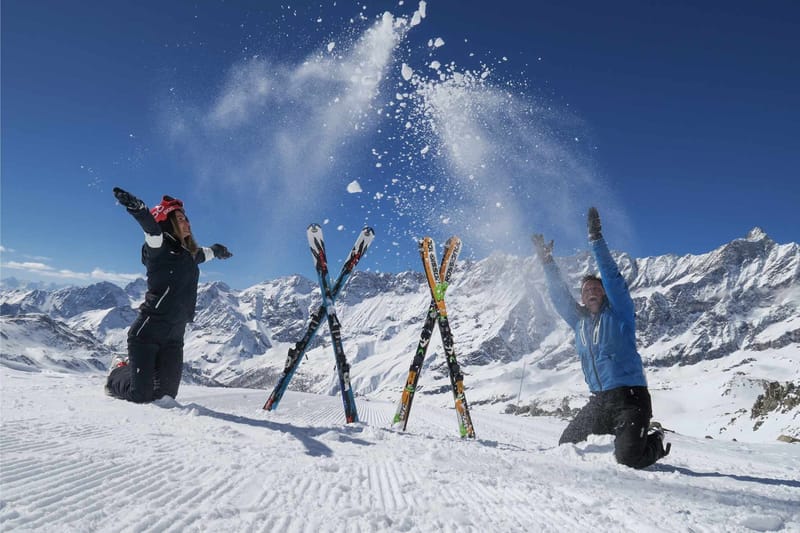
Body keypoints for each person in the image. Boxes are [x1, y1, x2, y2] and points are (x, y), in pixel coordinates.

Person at [532, 207, 670, 469]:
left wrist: (596, 239)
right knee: (567, 445)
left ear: (605, 293)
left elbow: (612, 277)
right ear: (582, 298)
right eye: (586, 290)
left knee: (629, 458)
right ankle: (624, 434)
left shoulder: (619, 313)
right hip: (600, 401)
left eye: (596, 288)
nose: (592, 292)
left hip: (630, 399)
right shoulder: (579, 321)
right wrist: (547, 262)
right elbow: (559, 296)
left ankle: (655, 439)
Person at [106, 187, 233, 403]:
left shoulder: (190, 254)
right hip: (147, 334)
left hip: (174, 336)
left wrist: (218, 250)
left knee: (165, 397)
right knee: (140, 395)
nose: (187, 223)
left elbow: (205, 253)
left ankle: (139, 373)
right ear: (167, 222)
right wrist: (139, 209)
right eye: (180, 219)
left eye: (187, 219)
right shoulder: (159, 249)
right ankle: (118, 371)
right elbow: (152, 230)